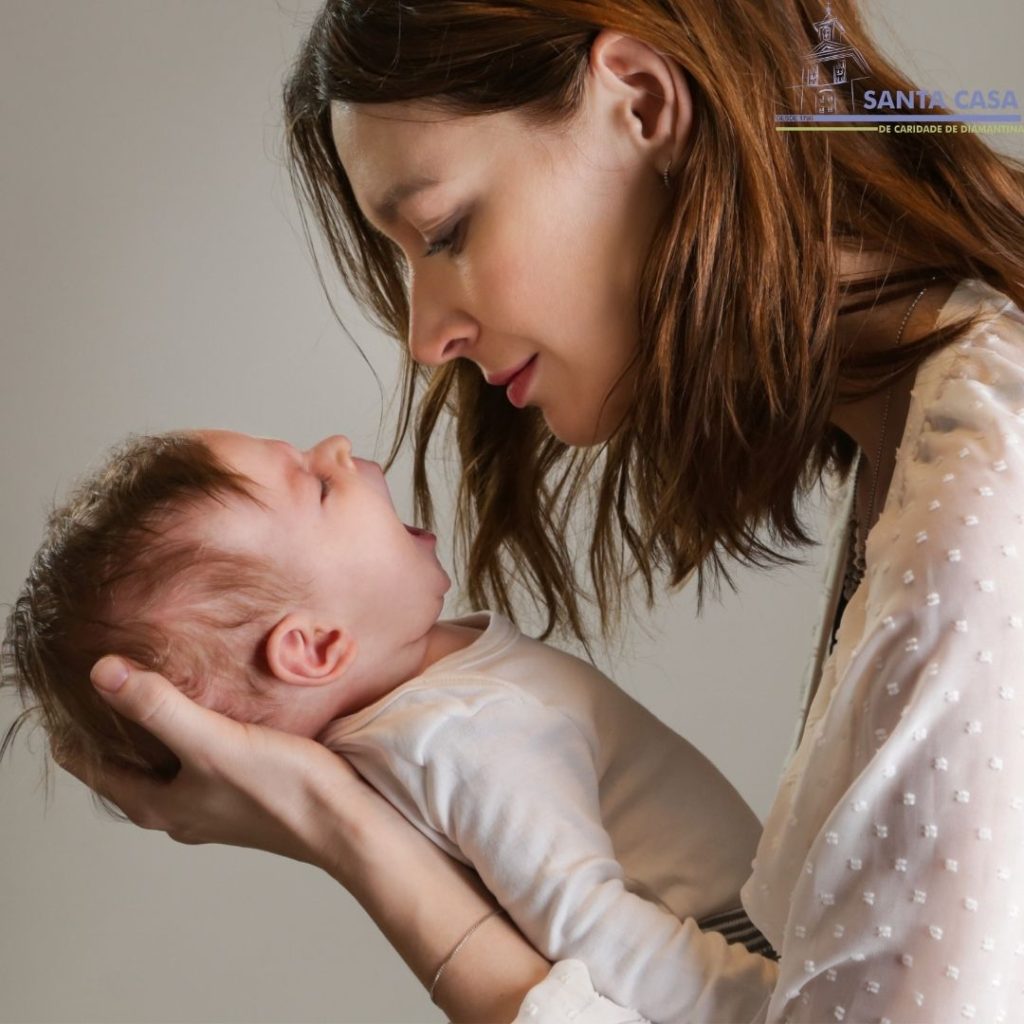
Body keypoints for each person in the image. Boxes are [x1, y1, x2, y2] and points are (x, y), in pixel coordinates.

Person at [38, 0, 1024, 1020]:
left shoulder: (979, 502)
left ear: (641, 103)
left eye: (444, 231)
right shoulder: (926, 448)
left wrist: (349, 835)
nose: (425, 335)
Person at [4, 426, 775, 1022]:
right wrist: (789, 1000)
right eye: (317, 486)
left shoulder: (429, 698)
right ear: (315, 648)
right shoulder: (465, 736)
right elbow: (600, 935)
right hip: (735, 961)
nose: (338, 449)